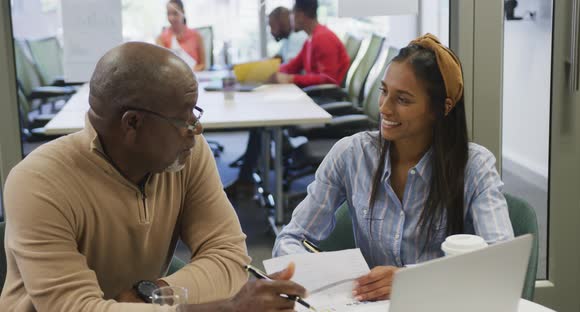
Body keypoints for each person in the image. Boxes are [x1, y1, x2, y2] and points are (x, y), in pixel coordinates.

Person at [0, 42, 306, 311]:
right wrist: (223, 309)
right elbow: (76, 308)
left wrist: (153, 294)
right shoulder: (38, 182)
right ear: (132, 123)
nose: (197, 129)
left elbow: (230, 257)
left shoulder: (188, 154)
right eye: (184, 118)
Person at [273, 34, 514, 301]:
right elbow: (289, 239)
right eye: (384, 91)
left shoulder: (474, 166)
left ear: (442, 108)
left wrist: (410, 279)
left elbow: (499, 265)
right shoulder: (351, 154)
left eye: (403, 100)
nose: (385, 109)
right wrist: (317, 274)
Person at [269, 0, 350, 87]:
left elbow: (328, 79)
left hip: (325, 97)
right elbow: (292, 67)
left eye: (292, 14)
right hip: (316, 93)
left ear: (300, 16)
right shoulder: (310, 39)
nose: (290, 19)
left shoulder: (323, 38)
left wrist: (291, 79)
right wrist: (268, 71)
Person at [156, 0, 206, 71]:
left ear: (183, 12)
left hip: (193, 77)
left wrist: (189, 72)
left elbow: (203, 65)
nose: (171, 18)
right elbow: (161, 66)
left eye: (175, 13)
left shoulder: (197, 36)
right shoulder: (161, 39)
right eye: (168, 14)